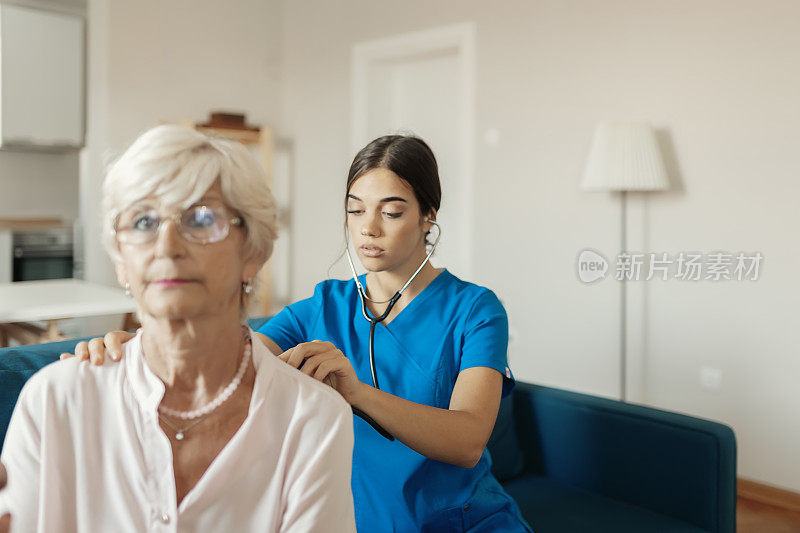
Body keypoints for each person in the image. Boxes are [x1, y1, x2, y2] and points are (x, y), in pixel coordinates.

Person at [69, 134, 532, 532]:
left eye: (391, 212)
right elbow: (222, 353)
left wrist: (356, 392)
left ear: (428, 216)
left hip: (467, 522)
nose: (367, 228)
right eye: (356, 211)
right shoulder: (324, 306)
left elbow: (468, 441)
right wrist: (126, 347)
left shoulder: (476, 310)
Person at [1, 125, 356, 532]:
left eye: (202, 219)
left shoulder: (312, 418)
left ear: (253, 252)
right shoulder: (56, 400)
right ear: (121, 261)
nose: (167, 245)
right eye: (143, 221)